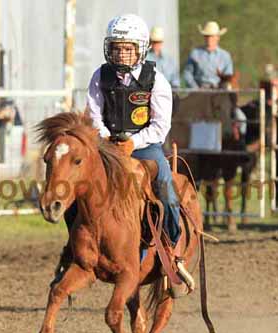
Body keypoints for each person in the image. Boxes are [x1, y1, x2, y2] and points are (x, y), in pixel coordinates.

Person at [81, 14, 194, 295]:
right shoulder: (100, 76)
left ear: (140, 48)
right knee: (77, 189)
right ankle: (74, 249)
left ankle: (171, 251)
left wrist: (132, 143)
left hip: (146, 147)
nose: (121, 53)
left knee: (167, 192)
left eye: (127, 48)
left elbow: (160, 126)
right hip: (107, 147)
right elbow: (93, 115)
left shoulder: (156, 80)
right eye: (117, 47)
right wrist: (106, 139)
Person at [183, 21, 234, 89]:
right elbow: (187, 74)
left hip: (219, 91)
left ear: (218, 37)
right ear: (204, 37)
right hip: (199, 90)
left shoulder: (225, 56)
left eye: (212, 36)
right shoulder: (195, 53)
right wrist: (195, 88)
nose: (209, 39)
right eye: (207, 36)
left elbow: (228, 77)